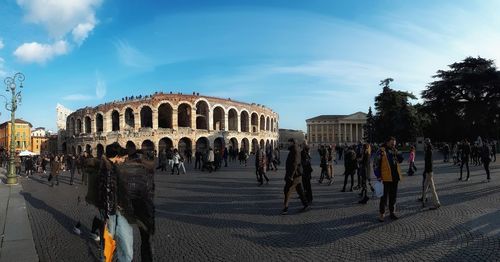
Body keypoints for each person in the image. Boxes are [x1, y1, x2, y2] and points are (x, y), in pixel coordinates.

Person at [373, 136, 404, 222]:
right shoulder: (381, 151)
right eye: (392, 144)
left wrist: (397, 153)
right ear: (387, 142)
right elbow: (375, 164)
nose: (393, 145)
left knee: (393, 196)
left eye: (394, 144)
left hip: (395, 178)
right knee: (384, 197)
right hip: (385, 178)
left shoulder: (395, 151)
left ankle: (392, 212)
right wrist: (378, 176)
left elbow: (401, 160)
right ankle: (382, 213)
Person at [281, 139, 309, 215]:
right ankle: (305, 204)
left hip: (294, 175)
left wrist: (291, 176)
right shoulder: (294, 149)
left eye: (288, 142)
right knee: (300, 190)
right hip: (297, 175)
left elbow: (295, 164)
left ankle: (285, 208)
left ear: (292, 143)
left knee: (287, 190)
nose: (287, 144)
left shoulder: (295, 150)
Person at [421, 138, 441, 210]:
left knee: (431, 188)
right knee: (425, 186)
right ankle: (423, 201)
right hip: (428, 171)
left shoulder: (428, 151)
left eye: (425, 144)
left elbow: (428, 163)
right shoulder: (429, 150)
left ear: (426, 144)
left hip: (428, 172)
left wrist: (427, 171)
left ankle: (436, 202)